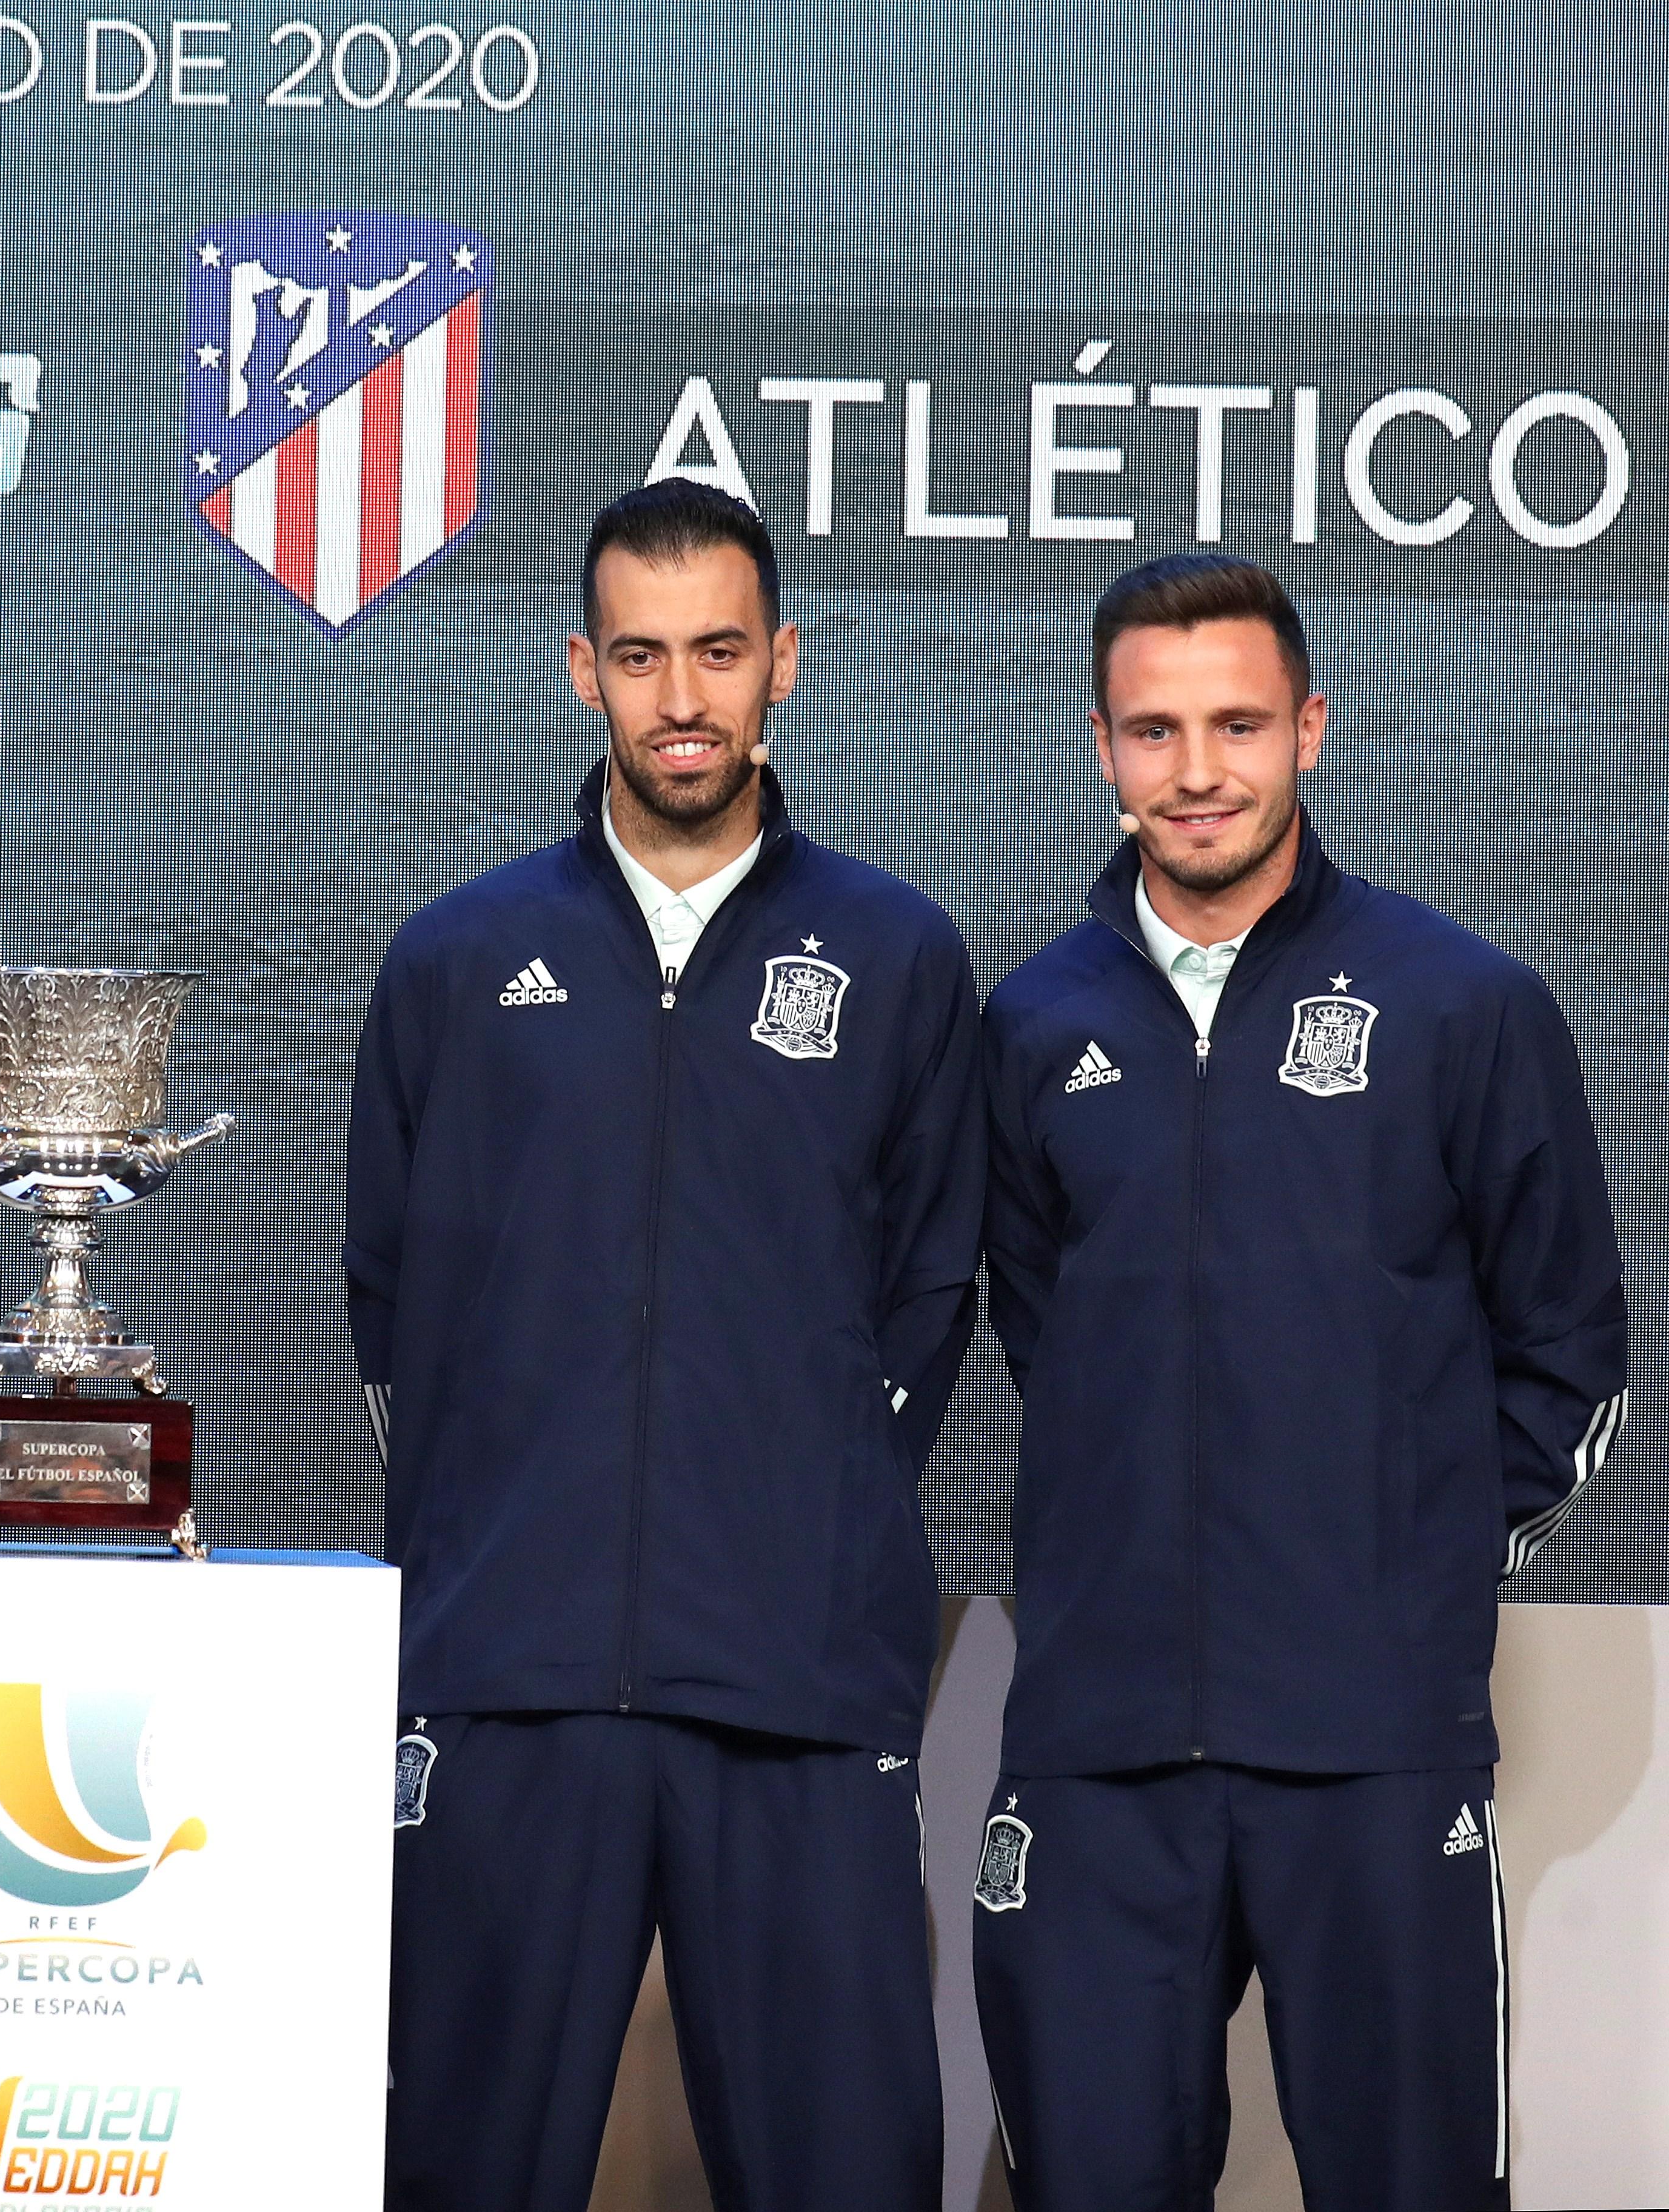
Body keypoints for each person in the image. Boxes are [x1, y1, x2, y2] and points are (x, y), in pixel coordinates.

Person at [349, 480, 983, 2211]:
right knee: (462, 2172)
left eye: (719, 652)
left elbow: (932, 1292)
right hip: (508, 1686)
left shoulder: (899, 956)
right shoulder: (456, 962)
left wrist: (799, 1507)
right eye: (641, 656)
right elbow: (397, 1307)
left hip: (793, 1686)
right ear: (581, 671)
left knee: (845, 2170)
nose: (682, 698)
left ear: (787, 661)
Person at [972, 554, 1627, 2210]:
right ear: (1102, 747)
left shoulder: (1463, 1006)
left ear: (1311, 730)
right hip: (1100, 1752)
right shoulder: (1036, 1025)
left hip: (1373, 1746)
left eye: (1239, 724)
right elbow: (1055, 1332)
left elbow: (1569, 1349)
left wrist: (1407, 1567)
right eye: (1156, 729)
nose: (1199, 769)